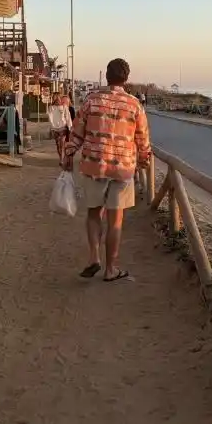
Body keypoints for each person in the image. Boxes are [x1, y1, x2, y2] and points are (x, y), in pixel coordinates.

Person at [62, 58, 150, 282]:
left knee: (94, 214)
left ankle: (94, 258)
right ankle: (111, 269)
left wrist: (69, 153)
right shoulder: (134, 105)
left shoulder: (92, 100)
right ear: (126, 79)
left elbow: (77, 132)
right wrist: (143, 161)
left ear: (107, 77)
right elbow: (142, 140)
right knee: (115, 220)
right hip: (122, 168)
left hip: (94, 164)